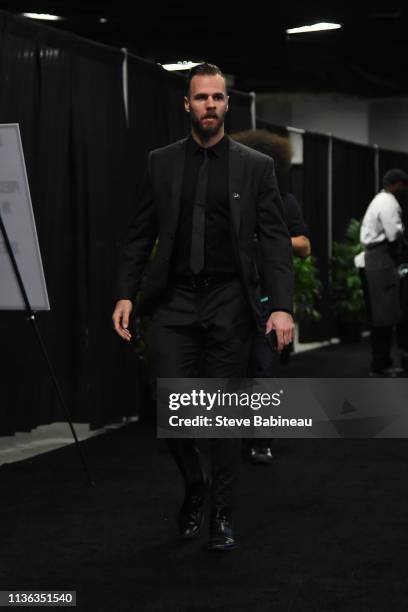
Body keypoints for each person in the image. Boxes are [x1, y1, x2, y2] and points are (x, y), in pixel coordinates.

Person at [112, 63, 294, 550]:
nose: (210, 105)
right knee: (170, 405)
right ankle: (196, 484)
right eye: (201, 98)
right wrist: (127, 292)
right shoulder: (161, 162)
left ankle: (223, 513)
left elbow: (275, 242)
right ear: (186, 104)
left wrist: (281, 307)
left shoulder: (256, 168)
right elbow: (138, 235)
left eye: (217, 97)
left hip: (229, 300)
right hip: (173, 300)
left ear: (227, 104)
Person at [232, 129, 311, 463]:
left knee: (262, 370)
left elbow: (304, 246)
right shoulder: (231, 198)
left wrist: (269, 238)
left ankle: (261, 439)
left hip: (264, 302)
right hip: (229, 299)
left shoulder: (284, 201)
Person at [357, 168, 408, 376]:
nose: (404, 189)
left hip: (374, 258)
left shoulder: (379, 199)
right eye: (403, 185)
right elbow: (393, 233)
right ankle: (381, 364)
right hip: (380, 259)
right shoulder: (389, 202)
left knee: (381, 313)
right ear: (396, 184)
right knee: (384, 314)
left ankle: (381, 362)